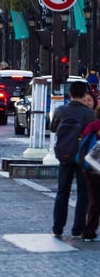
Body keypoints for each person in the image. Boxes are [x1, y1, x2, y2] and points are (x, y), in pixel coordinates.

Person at [50, 80, 96, 238]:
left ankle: (57, 227)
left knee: (62, 191)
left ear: (70, 94)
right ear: (84, 94)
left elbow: (53, 128)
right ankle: (77, 229)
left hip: (64, 155)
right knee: (83, 193)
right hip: (82, 157)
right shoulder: (89, 113)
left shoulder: (61, 111)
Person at [79, 115, 100, 242]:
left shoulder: (92, 126)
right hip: (94, 170)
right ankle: (89, 231)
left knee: (95, 202)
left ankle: (89, 231)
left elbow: (83, 145)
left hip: (91, 170)